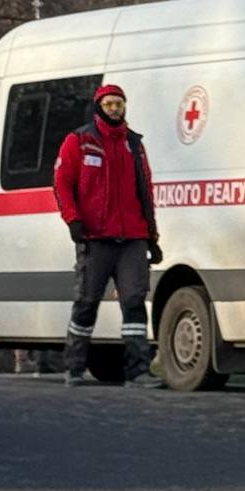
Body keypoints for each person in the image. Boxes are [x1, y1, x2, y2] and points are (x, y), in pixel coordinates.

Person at [53, 84, 164, 388]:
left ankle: (138, 371)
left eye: (119, 104)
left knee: (134, 302)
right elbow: (62, 183)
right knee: (86, 302)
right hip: (95, 237)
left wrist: (151, 237)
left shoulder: (134, 144)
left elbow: (145, 191)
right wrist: (73, 220)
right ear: (99, 107)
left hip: (132, 238)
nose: (115, 109)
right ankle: (74, 368)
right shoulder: (80, 141)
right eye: (109, 104)